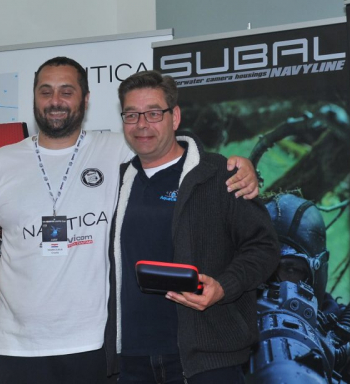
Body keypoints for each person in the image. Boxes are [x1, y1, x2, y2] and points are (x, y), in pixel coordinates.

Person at [0, 57, 259, 384]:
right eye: (45, 91)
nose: (55, 101)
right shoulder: (0, 164)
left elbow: (176, 153)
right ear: (35, 97)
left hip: (97, 347)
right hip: (17, 347)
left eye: (66, 91)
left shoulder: (120, 150)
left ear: (86, 99)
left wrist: (236, 166)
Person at [106, 70, 280, 383]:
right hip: (131, 361)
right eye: (131, 115)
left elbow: (264, 247)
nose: (141, 124)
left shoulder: (219, 175)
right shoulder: (114, 182)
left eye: (153, 113)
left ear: (174, 117)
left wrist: (224, 286)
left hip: (206, 361)